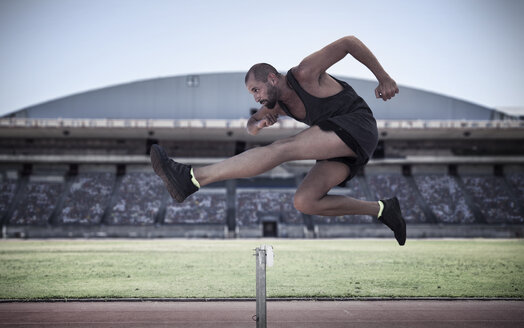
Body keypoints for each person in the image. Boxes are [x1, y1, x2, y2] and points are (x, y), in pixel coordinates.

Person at [151, 35, 406, 245]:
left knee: (283, 148)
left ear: (272, 78)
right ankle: (383, 209)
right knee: (305, 201)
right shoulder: (278, 106)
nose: (256, 98)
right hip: (341, 145)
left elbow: (349, 42)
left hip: (357, 124)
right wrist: (258, 123)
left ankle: (192, 178)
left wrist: (383, 77)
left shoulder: (305, 73)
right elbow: (250, 126)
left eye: (256, 90)